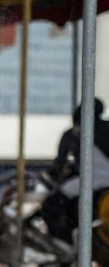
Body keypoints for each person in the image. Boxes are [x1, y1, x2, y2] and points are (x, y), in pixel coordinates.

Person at [42, 97, 109, 243]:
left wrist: (50, 172)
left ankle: (64, 241)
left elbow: (59, 162)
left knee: (53, 202)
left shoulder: (73, 133)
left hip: (94, 179)